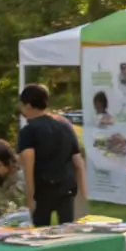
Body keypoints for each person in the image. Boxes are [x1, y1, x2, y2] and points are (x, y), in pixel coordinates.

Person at [18, 84, 86, 226]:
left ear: (28, 106)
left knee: (40, 233)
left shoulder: (28, 132)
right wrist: (83, 197)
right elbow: (79, 163)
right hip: (67, 187)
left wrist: (29, 202)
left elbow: (28, 170)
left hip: (44, 191)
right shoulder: (65, 126)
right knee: (68, 231)